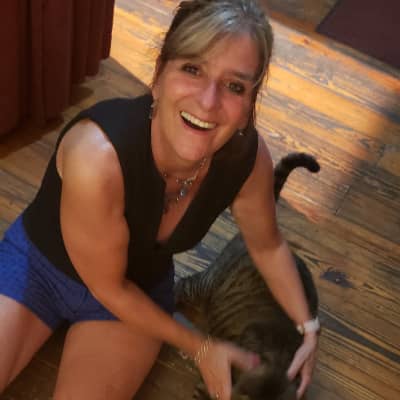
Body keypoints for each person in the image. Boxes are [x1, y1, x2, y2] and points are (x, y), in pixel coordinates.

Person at [0, 0, 319, 399]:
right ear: (159, 73)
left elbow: (268, 246)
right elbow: (107, 286)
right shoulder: (96, 156)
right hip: (39, 269)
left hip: (137, 294)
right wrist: (201, 347)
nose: (208, 101)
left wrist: (309, 328)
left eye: (235, 86)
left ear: (249, 104)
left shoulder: (247, 161)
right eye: (193, 69)